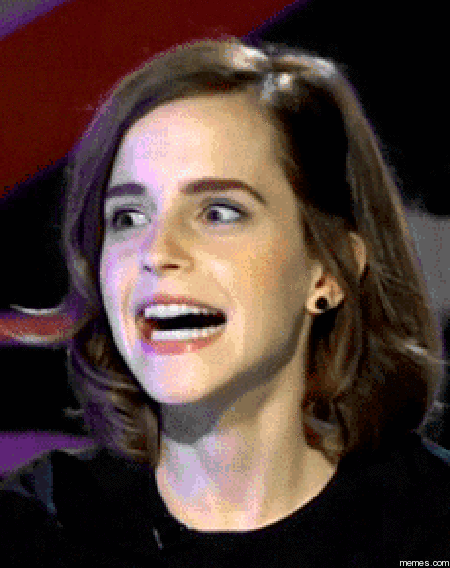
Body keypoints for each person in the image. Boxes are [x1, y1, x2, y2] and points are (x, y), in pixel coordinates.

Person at [1, 36, 449, 566]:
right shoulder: (36, 527)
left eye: (218, 212)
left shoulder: (431, 526)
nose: (156, 253)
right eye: (128, 217)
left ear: (329, 271)